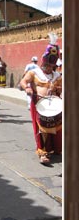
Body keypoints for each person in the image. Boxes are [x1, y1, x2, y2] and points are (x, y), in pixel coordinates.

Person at [20, 33, 62, 165]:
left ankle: (55, 149)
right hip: (39, 104)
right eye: (47, 65)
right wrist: (27, 89)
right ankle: (42, 152)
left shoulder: (57, 75)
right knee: (42, 128)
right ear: (43, 62)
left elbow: (61, 88)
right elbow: (23, 81)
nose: (48, 67)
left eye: (51, 65)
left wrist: (58, 90)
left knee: (57, 128)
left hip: (54, 106)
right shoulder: (34, 72)